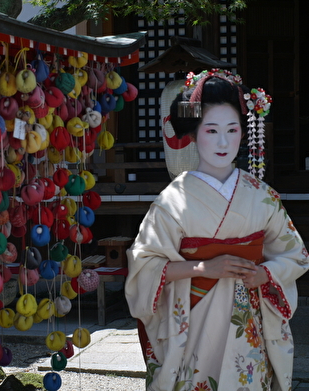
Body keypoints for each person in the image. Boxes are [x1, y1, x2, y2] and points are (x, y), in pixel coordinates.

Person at [125, 69, 309, 391]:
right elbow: (144, 265)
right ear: (194, 134)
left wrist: (265, 274)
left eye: (232, 129)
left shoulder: (262, 196)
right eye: (211, 130)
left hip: (249, 333)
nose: (223, 142)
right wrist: (202, 267)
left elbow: (295, 254)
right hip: (193, 327)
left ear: (244, 132)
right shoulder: (172, 202)